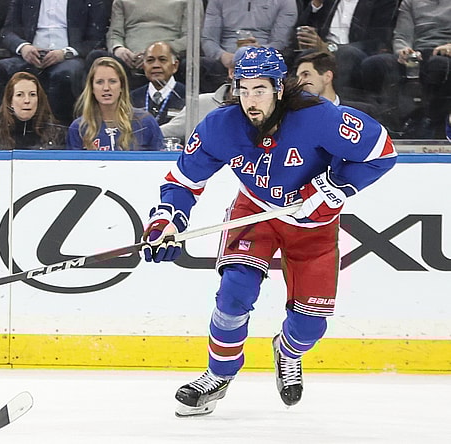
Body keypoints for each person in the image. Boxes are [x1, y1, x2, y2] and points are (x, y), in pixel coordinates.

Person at [140, 47, 396, 416]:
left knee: (310, 327)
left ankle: (288, 351)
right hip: (255, 211)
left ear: (279, 87)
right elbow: (183, 181)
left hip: (314, 225)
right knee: (233, 296)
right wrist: (165, 219)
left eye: (259, 89)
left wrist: (333, 186)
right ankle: (218, 375)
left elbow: (381, 151)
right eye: (243, 90)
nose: (249, 100)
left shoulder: (319, 118)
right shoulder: (219, 126)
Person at [0, 0, 108, 124]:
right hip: (30, 56)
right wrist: (23, 47)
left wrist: (65, 53)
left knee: (64, 75)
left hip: (68, 57)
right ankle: (6, 128)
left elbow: (96, 39)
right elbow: (7, 32)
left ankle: (57, 131)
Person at [360, 0, 451, 138]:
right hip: (418, 54)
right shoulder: (410, 2)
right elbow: (402, 36)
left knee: (437, 64)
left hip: (445, 54)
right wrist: (403, 51)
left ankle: (430, 121)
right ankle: (385, 123)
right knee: (374, 64)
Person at [292, 0, 399, 102]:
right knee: (306, 56)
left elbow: (377, 41)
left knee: (345, 54)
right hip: (325, 49)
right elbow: (300, 28)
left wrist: (331, 48)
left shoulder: (382, 2)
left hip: (358, 53)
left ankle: (341, 108)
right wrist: (316, 4)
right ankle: (298, 104)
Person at [66, 57, 163, 150]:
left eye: (112, 81)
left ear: (121, 86)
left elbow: (160, 162)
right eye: (100, 82)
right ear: (92, 88)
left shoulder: (145, 122)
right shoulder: (79, 128)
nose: (106, 88)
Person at [200, 0, 297, 93]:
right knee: (197, 65)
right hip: (224, 60)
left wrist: (258, 52)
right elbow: (209, 39)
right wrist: (222, 55)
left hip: (265, 59)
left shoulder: (286, 1)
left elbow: (279, 42)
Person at [87, 0, 188, 88]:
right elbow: (114, 34)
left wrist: (155, 53)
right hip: (129, 62)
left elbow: (190, 37)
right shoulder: (122, 1)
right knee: (96, 57)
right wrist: (118, 48)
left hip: (167, 61)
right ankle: (89, 109)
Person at [0, 71, 64, 149]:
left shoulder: (55, 133)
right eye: (19, 95)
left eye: (32, 95)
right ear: (10, 101)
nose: (27, 101)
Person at [294, 50, 379, 117]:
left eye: (306, 75)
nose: (299, 82)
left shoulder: (362, 112)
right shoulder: (296, 116)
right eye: (298, 77)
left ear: (327, 77)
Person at [130, 42, 186, 126]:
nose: (156, 65)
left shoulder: (188, 97)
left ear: (175, 66)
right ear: (143, 66)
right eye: (150, 60)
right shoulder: (132, 98)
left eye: (162, 60)